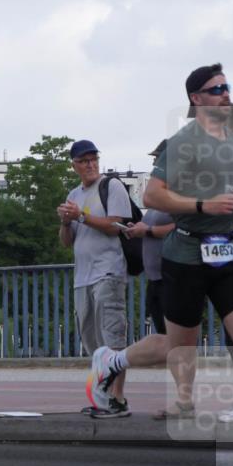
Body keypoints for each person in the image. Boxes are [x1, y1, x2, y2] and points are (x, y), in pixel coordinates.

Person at [88, 63, 233, 419]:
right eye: (217, 90)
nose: (226, 94)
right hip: (186, 254)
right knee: (178, 346)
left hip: (226, 250)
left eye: (227, 86)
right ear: (196, 98)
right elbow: (153, 196)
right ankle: (114, 362)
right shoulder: (183, 144)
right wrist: (203, 205)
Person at [57, 139, 131, 417]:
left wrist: (82, 216)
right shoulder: (74, 193)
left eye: (93, 159)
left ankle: (118, 398)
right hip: (83, 277)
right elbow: (67, 241)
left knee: (113, 336)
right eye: (84, 161)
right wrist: (66, 221)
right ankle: (103, 396)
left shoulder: (111, 186)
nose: (90, 165)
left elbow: (117, 226)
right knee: (92, 340)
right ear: (74, 165)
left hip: (108, 271)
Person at [123, 140, 176, 336]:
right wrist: (137, 227)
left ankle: (117, 361)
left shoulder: (180, 193)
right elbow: (153, 224)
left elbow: (183, 228)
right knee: (164, 337)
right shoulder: (158, 195)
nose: (154, 164)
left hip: (172, 277)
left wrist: (147, 231)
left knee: (174, 339)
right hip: (155, 278)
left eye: (158, 158)